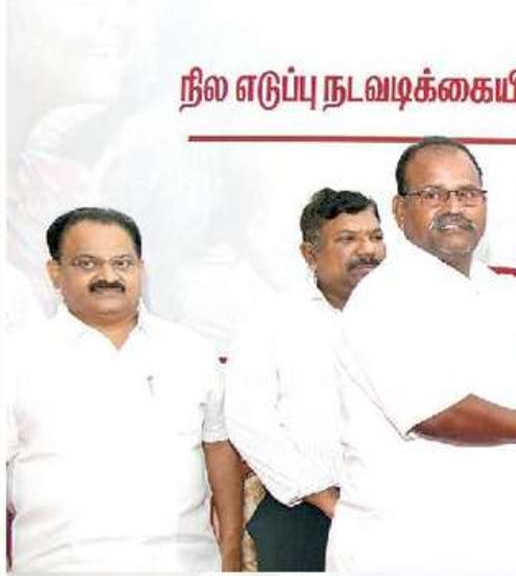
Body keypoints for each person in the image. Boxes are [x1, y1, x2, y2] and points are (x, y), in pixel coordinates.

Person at [328, 136, 516, 572]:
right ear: (400, 210)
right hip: (411, 553)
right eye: (433, 195)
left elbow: (488, 398)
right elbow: (436, 412)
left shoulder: (495, 290)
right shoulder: (385, 296)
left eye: (467, 194)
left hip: (495, 552)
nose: (454, 208)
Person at [3, 207, 244, 571]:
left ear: (141, 269)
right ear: (55, 272)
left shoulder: (190, 351)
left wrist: (230, 551)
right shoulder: (17, 359)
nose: (108, 276)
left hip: (183, 565)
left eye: (122, 263)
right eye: (87, 264)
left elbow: (218, 448)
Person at [224, 188, 385, 571]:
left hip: (393, 512)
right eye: (348, 239)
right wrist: (326, 499)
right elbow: (249, 422)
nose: (368, 250)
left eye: (376, 236)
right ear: (309, 254)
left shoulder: (407, 317)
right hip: (303, 514)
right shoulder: (271, 321)